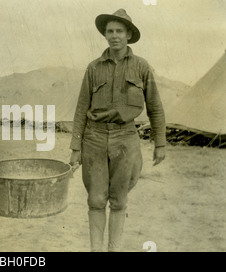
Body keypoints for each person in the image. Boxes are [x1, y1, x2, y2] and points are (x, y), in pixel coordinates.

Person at [69, 9, 166, 252]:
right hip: (94, 138)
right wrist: (75, 148)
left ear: (129, 35)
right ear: (104, 35)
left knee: (119, 200)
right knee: (95, 200)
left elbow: (154, 106)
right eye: (110, 31)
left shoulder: (142, 67)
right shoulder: (93, 68)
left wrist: (160, 143)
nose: (114, 36)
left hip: (126, 138)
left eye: (119, 31)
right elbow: (81, 109)